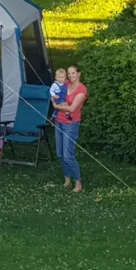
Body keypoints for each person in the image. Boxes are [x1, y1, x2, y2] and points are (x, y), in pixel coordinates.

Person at [51, 65, 87, 193]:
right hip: (59, 121)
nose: (71, 76)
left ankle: (78, 182)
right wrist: (54, 100)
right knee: (60, 154)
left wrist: (57, 106)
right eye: (69, 73)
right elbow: (53, 92)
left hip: (70, 125)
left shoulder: (82, 90)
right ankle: (67, 179)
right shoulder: (65, 83)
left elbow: (72, 109)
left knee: (68, 156)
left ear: (79, 74)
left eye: (73, 73)